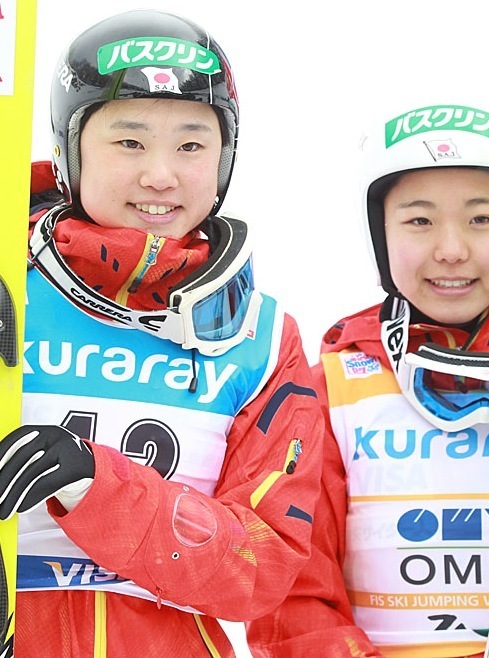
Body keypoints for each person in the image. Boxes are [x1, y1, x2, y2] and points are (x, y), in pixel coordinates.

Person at [0, 9, 324, 657]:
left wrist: (97, 486)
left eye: (191, 145)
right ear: (69, 150)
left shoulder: (259, 341)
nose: (160, 175)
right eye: (129, 142)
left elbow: (260, 569)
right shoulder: (13, 292)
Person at [246, 97, 489, 657]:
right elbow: (292, 594)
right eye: (419, 220)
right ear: (381, 233)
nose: (451, 250)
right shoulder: (330, 391)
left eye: (481, 219)